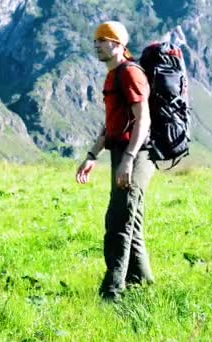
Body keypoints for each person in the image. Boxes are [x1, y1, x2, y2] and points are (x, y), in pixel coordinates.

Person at [75, 21, 155, 301]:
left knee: (118, 222)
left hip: (137, 153)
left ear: (119, 44)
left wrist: (129, 160)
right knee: (130, 224)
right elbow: (111, 124)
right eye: (95, 40)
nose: (97, 45)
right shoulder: (112, 76)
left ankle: (112, 293)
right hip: (122, 153)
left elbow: (143, 118)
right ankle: (143, 287)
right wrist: (91, 155)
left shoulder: (130, 73)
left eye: (103, 40)